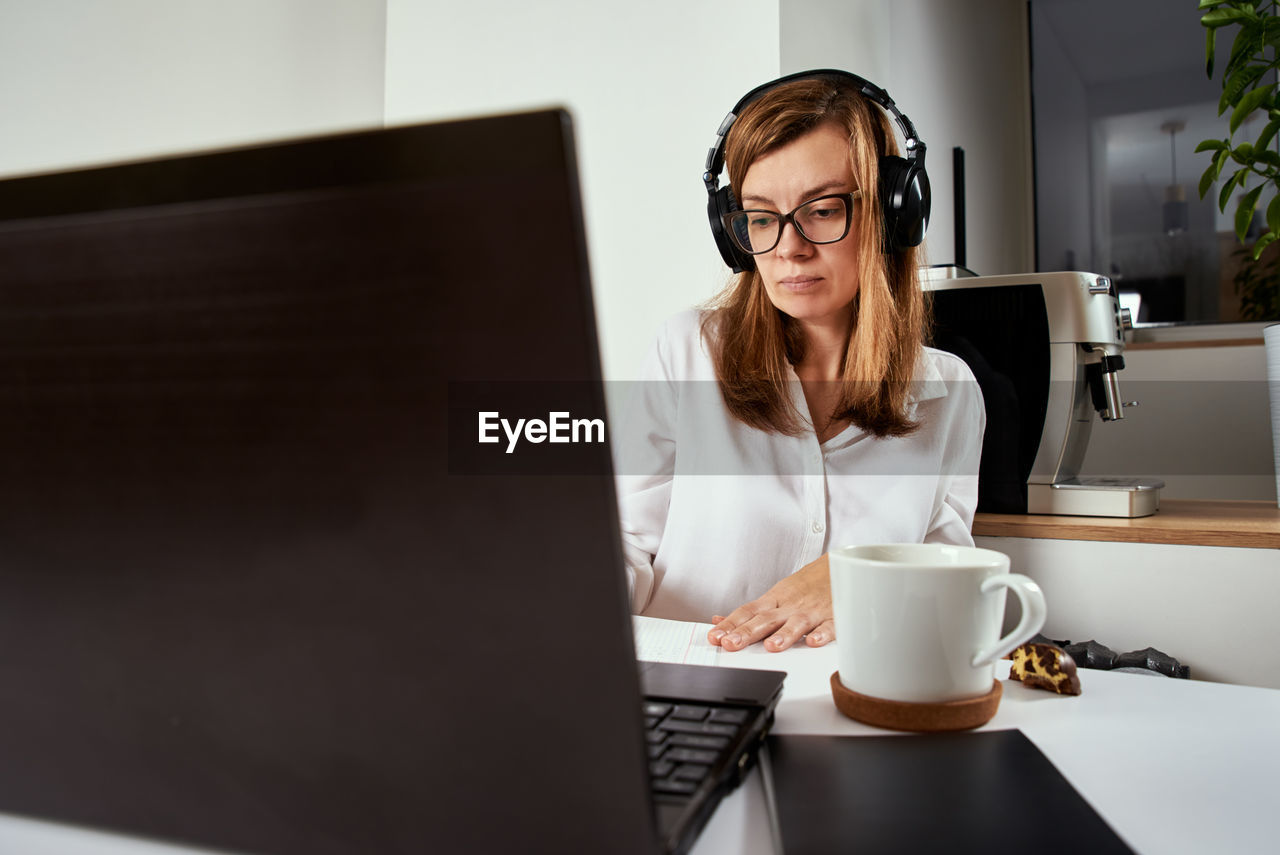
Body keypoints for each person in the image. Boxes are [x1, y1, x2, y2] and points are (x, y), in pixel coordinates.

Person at [614, 71, 985, 653]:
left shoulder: (951, 393)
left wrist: (861, 576)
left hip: (847, 701)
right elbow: (625, 544)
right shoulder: (686, 350)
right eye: (761, 217)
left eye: (822, 209)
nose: (789, 247)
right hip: (690, 687)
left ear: (892, 213)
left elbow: (951, 579)